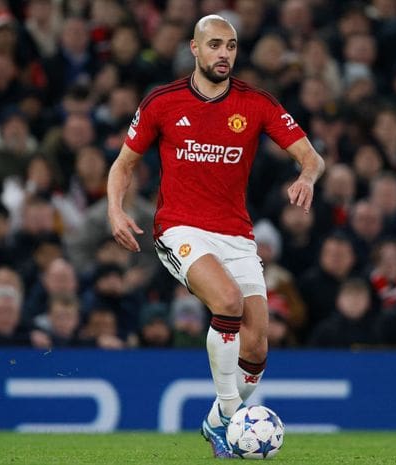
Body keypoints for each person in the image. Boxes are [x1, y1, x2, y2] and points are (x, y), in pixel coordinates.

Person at [107, 15, 324, 458]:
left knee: (258, 344)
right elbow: (123, 165)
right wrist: (115, 209)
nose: (224, 53)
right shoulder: (162, 102)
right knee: (227, 302)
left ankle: (213, 424)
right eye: (215, 45)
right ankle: (229, 418)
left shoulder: (257, 103)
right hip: (179, 228)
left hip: (236, 236)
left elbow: (311, 156)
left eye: (231, 46)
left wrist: (307, 176)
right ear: (195, 48)